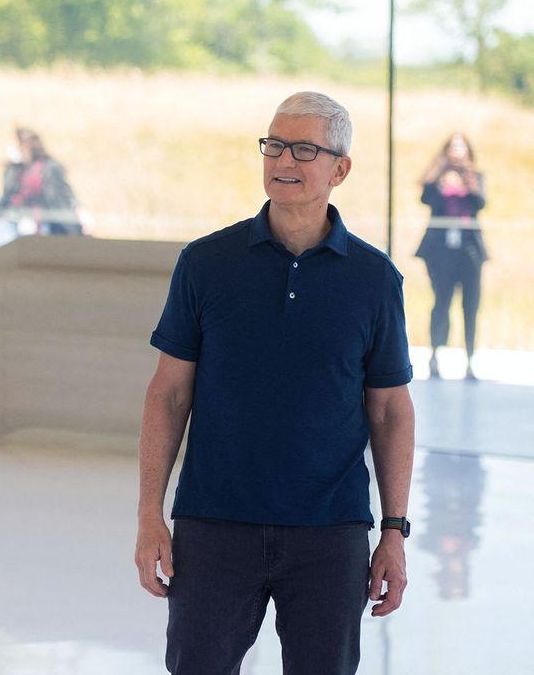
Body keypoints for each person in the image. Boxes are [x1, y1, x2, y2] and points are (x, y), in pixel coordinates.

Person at [135, 92, 416, 675]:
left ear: (340, 169)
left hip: (329, 532)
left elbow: (389, 409)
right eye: (274, 145)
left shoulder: (374, 279)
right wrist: (148, 516)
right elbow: (168, 393)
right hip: (213, 523)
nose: (283, 160)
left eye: (305, 149)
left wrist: (393, 531)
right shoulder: (206, 263)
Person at [416, 133, 487, 380]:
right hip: (440, 251)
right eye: (452, 148)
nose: (457, 153)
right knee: (441, 302)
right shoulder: (437, 177)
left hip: (469, 251)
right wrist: (441, 179)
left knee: (470, 305)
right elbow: (425, 198)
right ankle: (435, 356)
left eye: (461, 148)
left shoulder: (475, 177)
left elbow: (481, 202)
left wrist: (467, 182)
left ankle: (470, 361)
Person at [0, 127, 83, 248]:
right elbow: (5, 197)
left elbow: (63, 194)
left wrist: (78, 214)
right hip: (12, 219)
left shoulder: (49, 168)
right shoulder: (13, 170)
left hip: (39, 219)